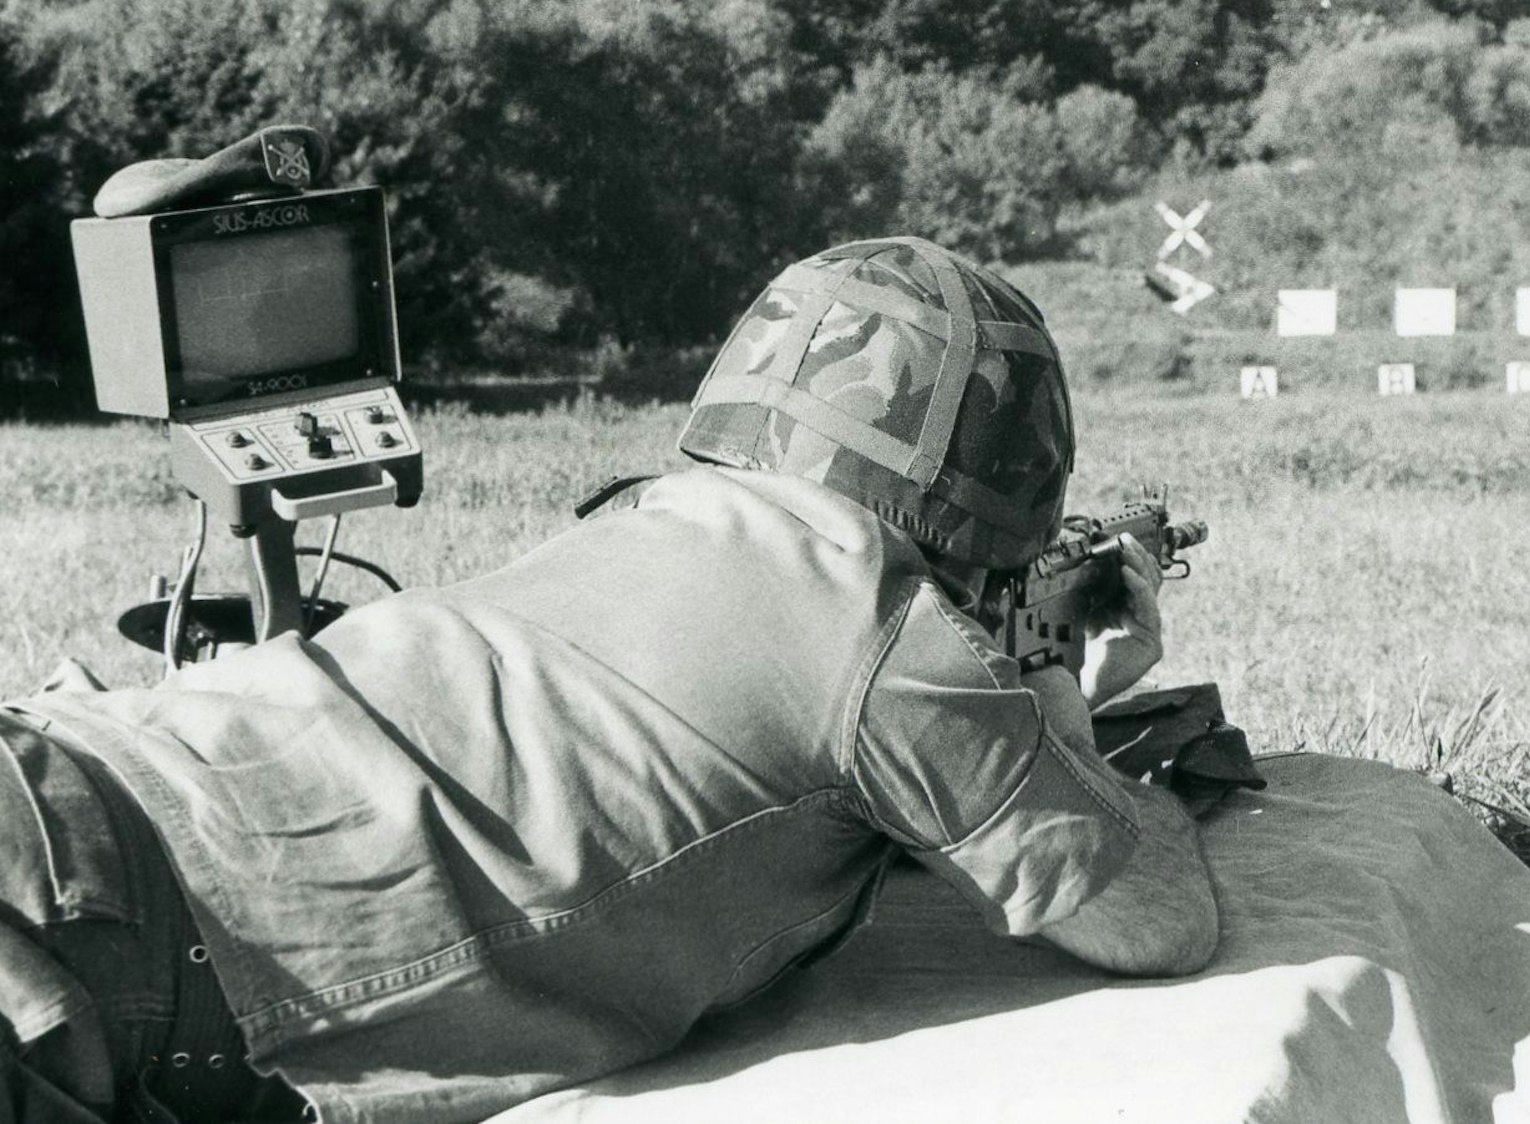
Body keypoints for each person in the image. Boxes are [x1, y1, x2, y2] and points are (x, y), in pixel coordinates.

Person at [2, 230, 1219, 1123]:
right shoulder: (881, 633)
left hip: (63, 785)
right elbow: (1159, 919)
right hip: (105, 949)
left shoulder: (649, 516)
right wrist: (1057, 692)